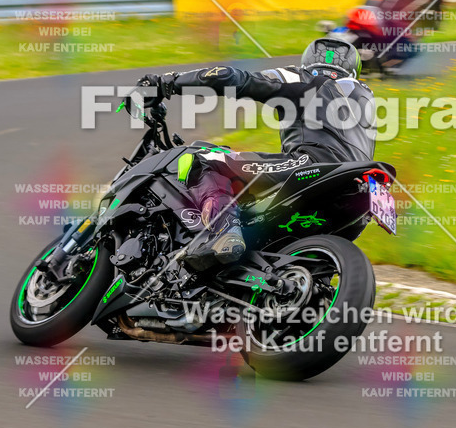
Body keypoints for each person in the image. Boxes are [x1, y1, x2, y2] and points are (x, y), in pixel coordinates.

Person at [142, 37, 373, 270]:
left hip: (313, 165)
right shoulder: (365, 97)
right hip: (359, 191)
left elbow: (227, 76)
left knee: (200, 160)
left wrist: (167, 83)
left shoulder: (306, 79)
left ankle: (224, 233)